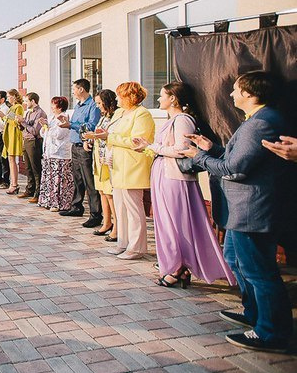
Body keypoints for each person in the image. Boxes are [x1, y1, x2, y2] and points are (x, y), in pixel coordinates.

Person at [182, 71, 292, 353]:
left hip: (253, 210)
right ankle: (253, 313)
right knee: (235, 259)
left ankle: (271, 332)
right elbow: (235, 157)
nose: (231, 95)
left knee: (259, 272)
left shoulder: (261, 123)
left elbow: (235, 169)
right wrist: (213, 148)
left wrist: (199, 157)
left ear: (251, 94)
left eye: (236, 90)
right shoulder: (257, 121)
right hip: (242, 210)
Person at [134, 82, 235, 288]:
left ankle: (180, 267)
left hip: (175, 179)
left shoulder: (183, 120)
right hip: (165, 176)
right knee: (167, 223)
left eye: (162, 95)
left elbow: (182, 150)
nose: (159, 99)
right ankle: (176, 265)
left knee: (177, 224)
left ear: (173, 98)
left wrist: (150, 146)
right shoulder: (172, 120)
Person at [93, 82, 154, 260]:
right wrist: (104, 134)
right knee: (120, 207)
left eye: (120, 96)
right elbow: (113, 133)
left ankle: (136, 247)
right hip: (117, 166)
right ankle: (123, 242)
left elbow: (137, 141)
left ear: (130, 97)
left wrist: (109, 137)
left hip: (132, 167)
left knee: (134, 209)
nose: (117, 99)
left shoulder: (142, 114)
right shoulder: (120, 113)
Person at [58, 79, 102, 228]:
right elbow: (77, 124)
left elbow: (91, 126)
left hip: (85, 148)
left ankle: (96, 214)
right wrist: (68, 122)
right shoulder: (77, 106)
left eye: (74, 89)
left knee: (90, 181)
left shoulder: (93, 106)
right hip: (75, 146)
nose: (73, 92)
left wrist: (71, 124)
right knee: (77, 179)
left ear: (81, 89)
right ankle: (76, 207)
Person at [81, 90, 118, 242]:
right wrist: (88, 140)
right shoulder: (103, 117)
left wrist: (95, 136)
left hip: (109, 158)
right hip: (98, 157)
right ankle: (107, 222)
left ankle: (117, 226)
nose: (97, 106)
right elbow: (98, 133)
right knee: (102, 191)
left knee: (110, 193)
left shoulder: (116, 117)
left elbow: (110, 135)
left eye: (99, 103)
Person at [38, 97, 73, 212]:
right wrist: (44, 127)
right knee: (49, 178)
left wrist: (48, 128)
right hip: (49, 152)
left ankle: (59, 203)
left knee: (59, 179)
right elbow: (44, 134)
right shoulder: (51, 117)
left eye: (54, 105)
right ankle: (47, 200)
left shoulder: (64, 117)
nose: (52, 107)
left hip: (60, 153)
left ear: (60, 106)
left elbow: (59, 134)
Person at [0, 89, 24, 194]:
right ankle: (13, 183)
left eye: (9, 96)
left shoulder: (18, 107)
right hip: (9, 135)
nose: (8, 98)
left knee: (12, 160)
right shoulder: (12, 107)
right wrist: (3, 116)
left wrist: (4, 116)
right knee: (11, 160)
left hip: (14, 135)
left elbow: (17, 121)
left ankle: (14, 184)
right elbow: (8, 120)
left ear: (14, 96)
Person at [17, 92, 46, 202]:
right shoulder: (29, 113)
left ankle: (38, 193)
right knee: (28, 167)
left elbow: (34, 131)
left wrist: (23, 122)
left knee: (36, 168)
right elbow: (25, 128)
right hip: (26, 140)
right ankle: (30, 189)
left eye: (26, 101)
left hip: (34, 142)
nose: (25, 103)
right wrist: (20, 123)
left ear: (33, 101)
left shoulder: (40, 113)